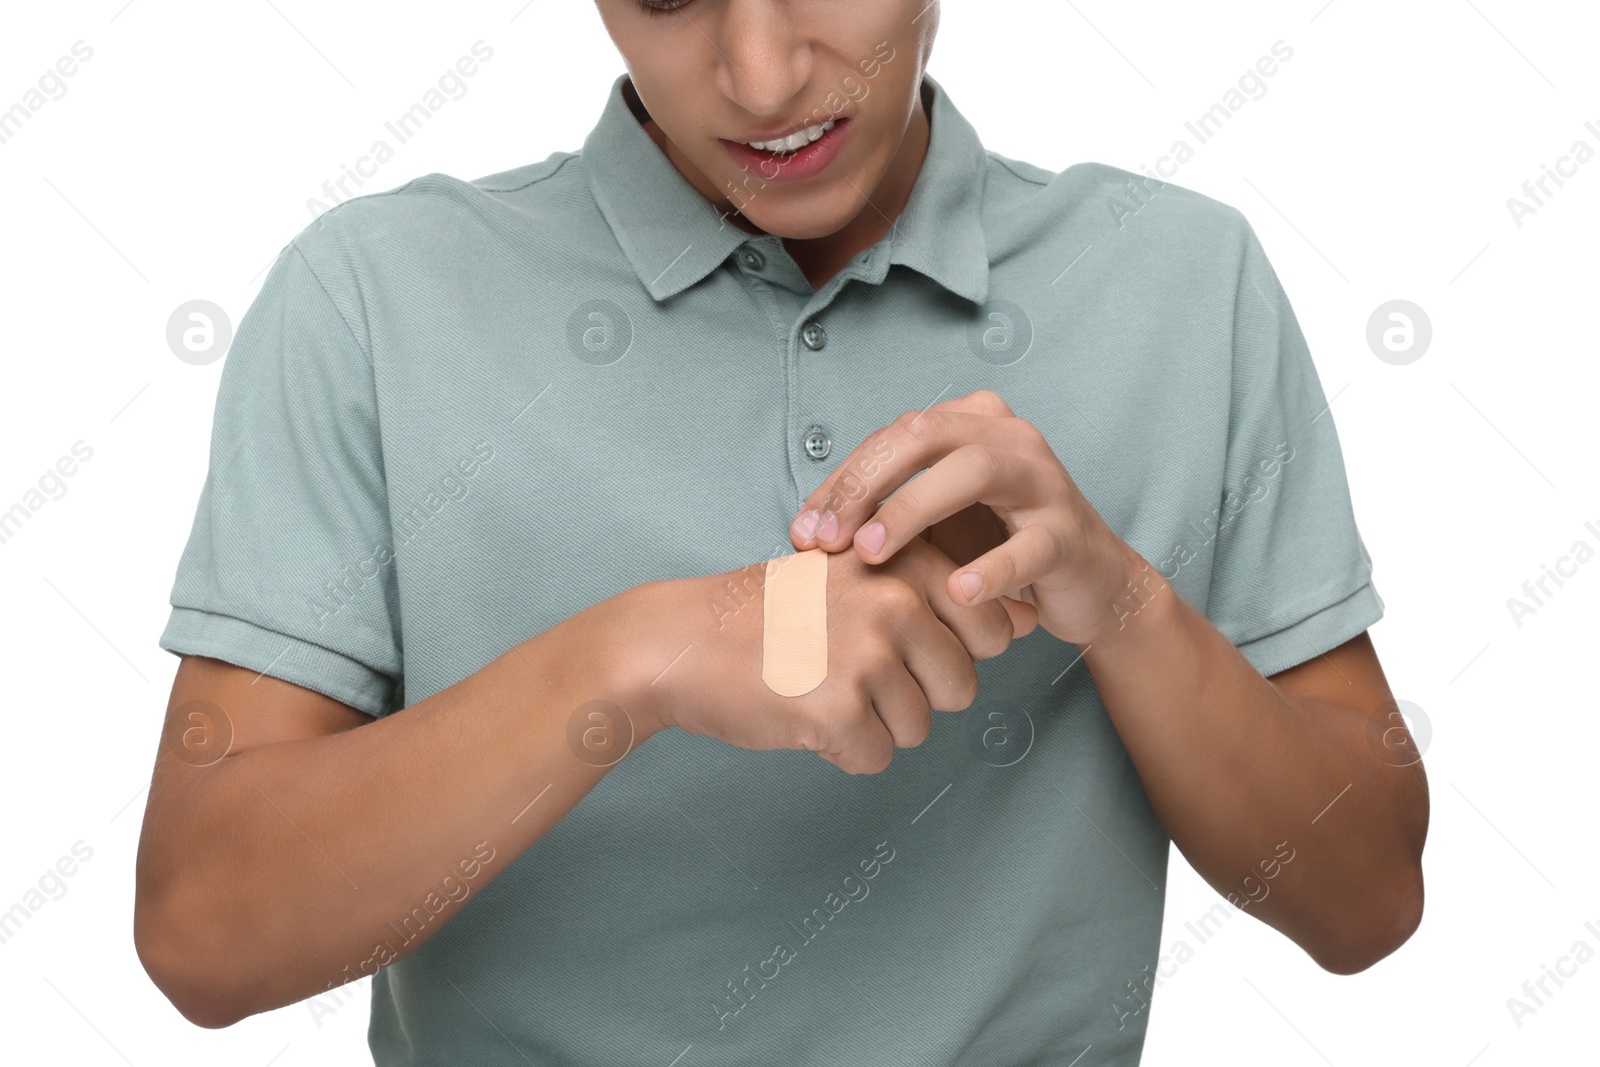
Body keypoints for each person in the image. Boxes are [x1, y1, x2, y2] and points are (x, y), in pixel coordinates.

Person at [133, 2, 1430, 1063]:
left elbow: (1366, 901)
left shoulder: (1183, 283)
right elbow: (203, 932)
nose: (759, 75)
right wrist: (635, 658)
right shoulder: (369, 298)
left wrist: (1114, 594)